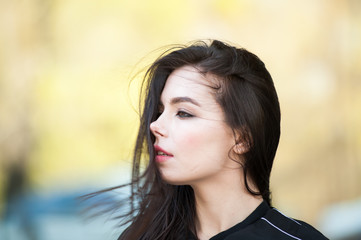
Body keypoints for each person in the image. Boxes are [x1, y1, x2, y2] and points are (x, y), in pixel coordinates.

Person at [113, 40, 328, 239]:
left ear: (242, 138)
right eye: (160, 111)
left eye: (183, 113)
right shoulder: (141, 235)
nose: (155, 125)